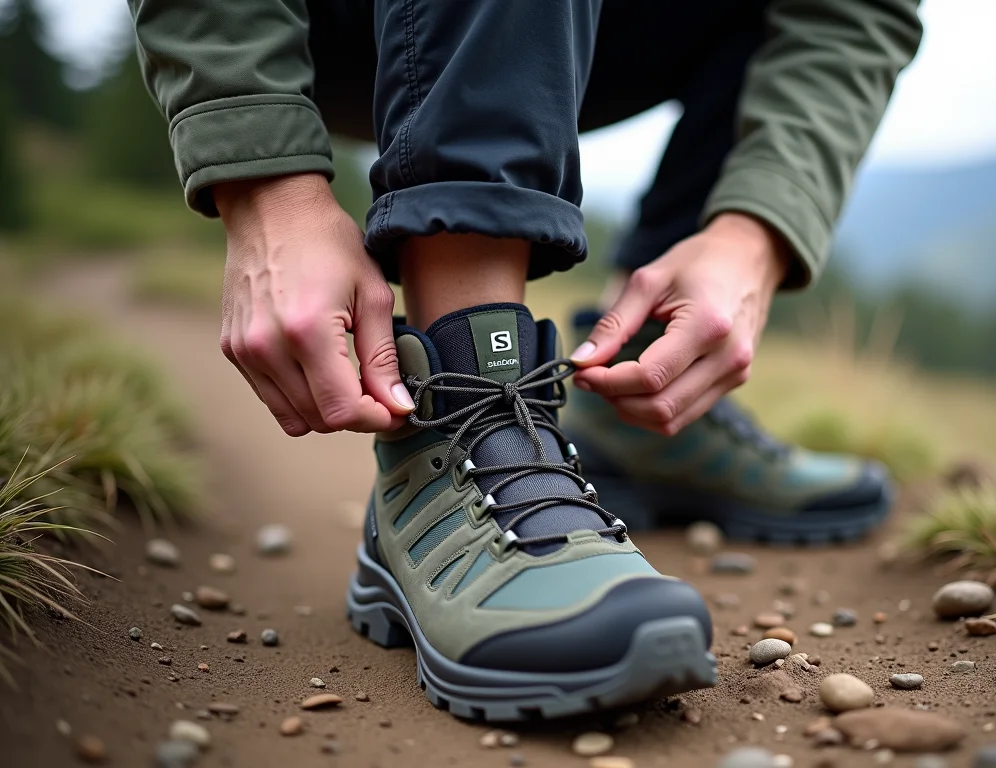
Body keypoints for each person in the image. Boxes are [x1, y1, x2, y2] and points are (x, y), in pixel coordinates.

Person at [129, 0, 921, 720]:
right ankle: (457, 419)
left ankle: (637, 413)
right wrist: (265, 184)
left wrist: (755, 233)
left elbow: (851, 14)